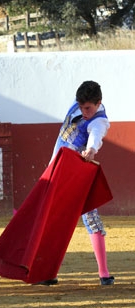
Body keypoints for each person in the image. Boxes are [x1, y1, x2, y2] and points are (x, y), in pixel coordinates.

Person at [41, 80, 114, 286]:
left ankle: (104, 272)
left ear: (99, 103)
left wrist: (91, 150)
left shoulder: (99, 121)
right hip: (55, 172)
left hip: (75, 177)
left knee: (89, 218)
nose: (84, 111)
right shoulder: (79, 104)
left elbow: (96, 136)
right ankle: (48, 272)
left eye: (88, 108)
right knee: (52, 223)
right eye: (81, 107)